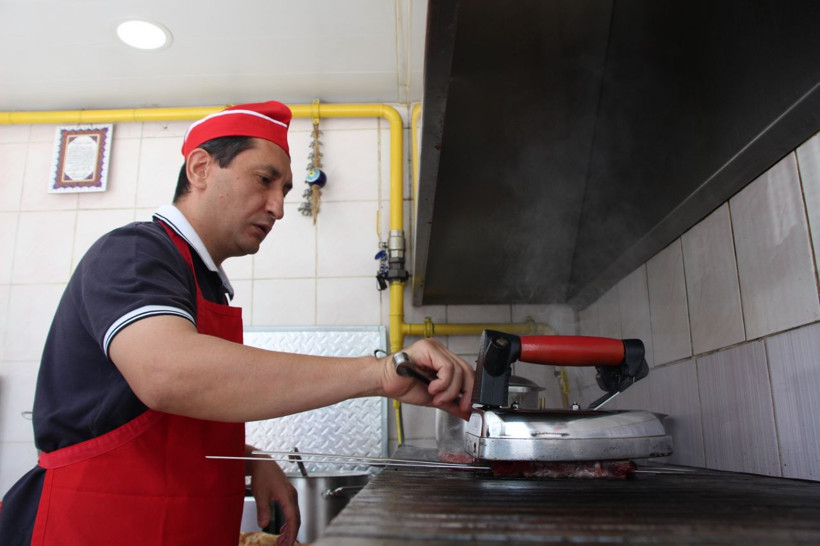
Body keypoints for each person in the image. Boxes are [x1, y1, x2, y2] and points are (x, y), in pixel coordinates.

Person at [0, 101, 474, 546]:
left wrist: (249, 457)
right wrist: (378, 373)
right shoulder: (136, 253)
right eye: (265, 180)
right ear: (201, 168)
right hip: (94, 523)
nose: (278, 207)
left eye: (284, 190)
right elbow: (169, 374)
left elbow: (163, 417)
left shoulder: (202, 278)